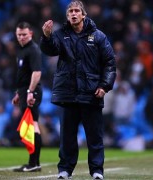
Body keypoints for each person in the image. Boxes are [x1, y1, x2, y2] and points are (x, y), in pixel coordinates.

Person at [40, 1, 116, 179]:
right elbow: (51, 50)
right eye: (70, 11)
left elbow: (110, 64)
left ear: (83, 15)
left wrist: (104, 86)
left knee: (94, 137)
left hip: (91, 94)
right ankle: (65, 170)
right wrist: (46, 36)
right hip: (68, 94)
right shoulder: (60, 35)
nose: (73, 14)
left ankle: (97, 171)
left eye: (76, 11)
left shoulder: (98, 37)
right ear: (67, 16)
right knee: (67, 137)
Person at [11, 22, 43, 172]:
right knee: (31, 126)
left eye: (24, 34)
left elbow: (36, 73)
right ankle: (34, 163)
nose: (21, 37)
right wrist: (19, 93)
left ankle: (34, 163)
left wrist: (30, 92)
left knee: (32, 125)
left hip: (32, 92)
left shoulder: (33, 50)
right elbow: (23, 74)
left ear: (31, 34)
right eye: (19, 35)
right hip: (25, 91)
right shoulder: (21, 50)